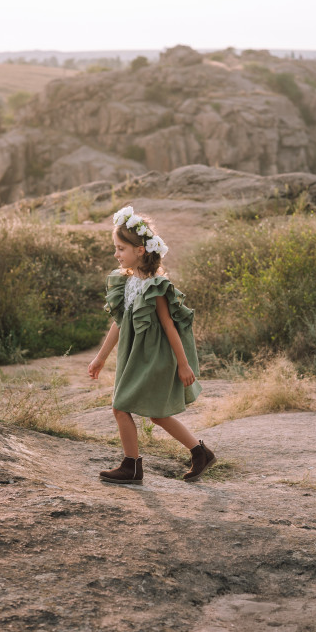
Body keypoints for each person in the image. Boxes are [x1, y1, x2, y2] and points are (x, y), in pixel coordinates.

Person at [87, 206, 216, 484]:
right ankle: (199, 452)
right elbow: (120, 323)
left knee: (122, 407)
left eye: (121, 248)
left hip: (153, 357)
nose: (116, 254)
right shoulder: (127, 282)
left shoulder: (155, 285)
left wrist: (183, 365)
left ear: (140, 250)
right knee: (154, 414)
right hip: (133, 355)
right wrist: (100, 358)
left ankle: (132, 466)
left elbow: (169, 326)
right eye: (116, 248)